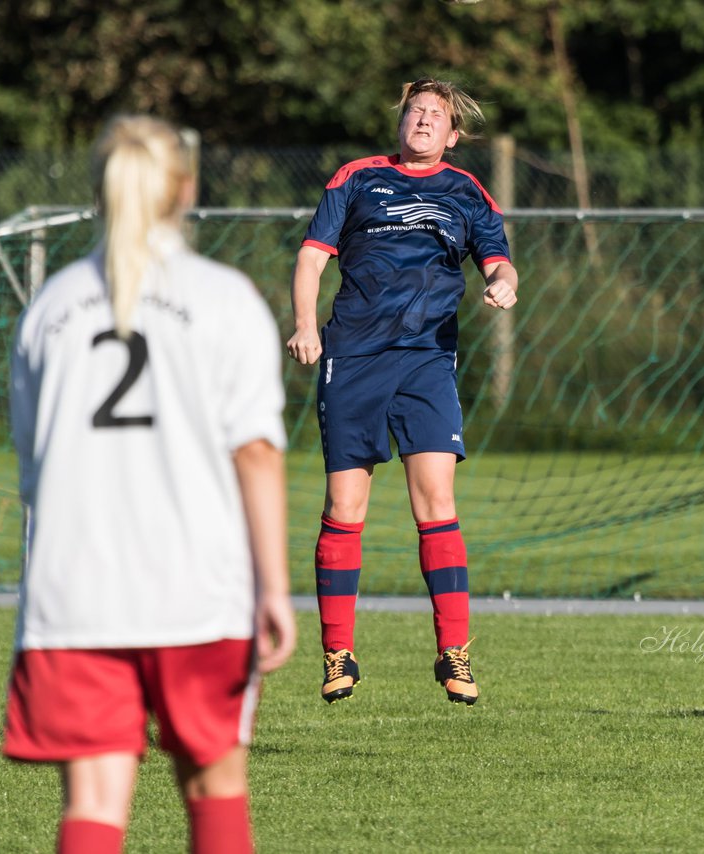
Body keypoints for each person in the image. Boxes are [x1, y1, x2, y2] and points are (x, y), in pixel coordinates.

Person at [4, 114, 295, 854]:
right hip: (198, 592)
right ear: (185, 188)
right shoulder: (225, 298)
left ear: (100, 189)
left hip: (75, 593)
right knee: (213, 788)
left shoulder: (49, 307)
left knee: (95, 806)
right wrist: (274, 589)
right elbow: (257, 453)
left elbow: (34, 470)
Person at [287, 77, 519, 705]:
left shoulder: (465, 191)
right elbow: (312, 258)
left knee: (436, 503)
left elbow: (498, 258)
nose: (421, 120)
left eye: (434, 115)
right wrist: (307, 324)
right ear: (400, 122)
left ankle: (454, 654)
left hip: (425, 362)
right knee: (344, 508)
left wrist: (504, 283)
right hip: (354, 359)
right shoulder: (356, 178)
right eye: (413, 111)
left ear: (453, 133)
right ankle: (338, 655)